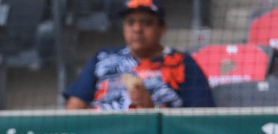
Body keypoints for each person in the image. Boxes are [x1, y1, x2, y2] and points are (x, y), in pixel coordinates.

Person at [63, 0, 214, 110]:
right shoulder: (103, 57)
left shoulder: (182, 63)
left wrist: (152, 109)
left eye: (146, 22)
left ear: (161, 28)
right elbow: (75, 104)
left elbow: (201, 117)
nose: (137, 29)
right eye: (130, 22)